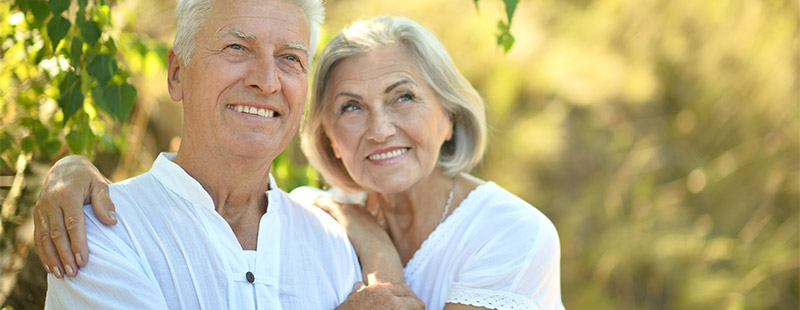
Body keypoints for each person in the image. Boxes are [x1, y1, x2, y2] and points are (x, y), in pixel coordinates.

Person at [35, 16, 563, 310]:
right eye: (351, 107)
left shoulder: (511, 235)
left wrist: (378, 260)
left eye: (404, 97)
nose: (379, 128)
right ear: (327, 135)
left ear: (449, 115)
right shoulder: (97, 232)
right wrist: (72, 167)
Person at [39, 0, 423, 308]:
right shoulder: (95, 231)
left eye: (290, 57)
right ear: (177, 74)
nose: (267, 81)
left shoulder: (334, 245)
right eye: (237, 47)